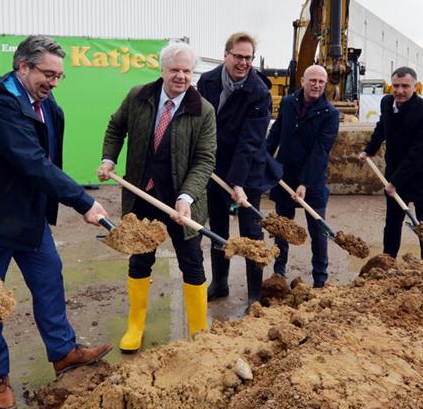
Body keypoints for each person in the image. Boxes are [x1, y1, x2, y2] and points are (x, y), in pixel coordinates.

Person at [0, 35, 112, 409]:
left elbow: (47, 163)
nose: (54, 82)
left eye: (59, 76)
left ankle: (63, 352)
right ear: (22, 66)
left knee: (49, 281)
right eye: (48, 74)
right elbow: (33, 162)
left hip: (27, 219)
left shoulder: (48, 106)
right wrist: (82, 201)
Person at [97, 41, 217, 351]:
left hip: (182, 204)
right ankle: (135, 326)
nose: (181, 76)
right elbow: (115, 126)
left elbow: (205, 160)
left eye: (187, 71)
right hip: (142, 197)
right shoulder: (139, 96)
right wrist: (109, 158)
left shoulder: (203, 111)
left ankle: (199, 332)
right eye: (175, 69)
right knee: (140, 261)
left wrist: (186, 197)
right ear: (162, 69)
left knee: (192, 263)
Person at [196, 32, 280, 305]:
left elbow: (250, 141)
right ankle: (220, 283)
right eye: (239, 56)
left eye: (248, 58)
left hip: (248, 169)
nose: (244, 63)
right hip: (215, 165)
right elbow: (199, 122)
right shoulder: (207, 81)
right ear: (226, 55)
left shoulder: (259, 92)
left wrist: (238, 183)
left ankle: (254, 295)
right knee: (218, 226)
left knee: (251, 232)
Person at [265, 64, 340, 287]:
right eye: (313, 80)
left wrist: (305, 182)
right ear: (303, 81)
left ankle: (320, 279)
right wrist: (263, 159)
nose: (317, 85)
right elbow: (275, 134)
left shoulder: (330, 114)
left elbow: (321, 151)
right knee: (282, 228)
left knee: (318, 230)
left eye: (321, 82)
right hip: (284, 176)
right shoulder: (288, 103)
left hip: (313, 180)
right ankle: (279, 272)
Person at [359, 66, 423, 258]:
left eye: (405, 86)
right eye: (396, 86)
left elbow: (417, 154)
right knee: (392, 224)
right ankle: (387, 261)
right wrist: (369, 150)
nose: (400, 91)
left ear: (415, 87)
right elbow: (382, 128)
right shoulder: (387, 102)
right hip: (396, 172)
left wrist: (394, 182)